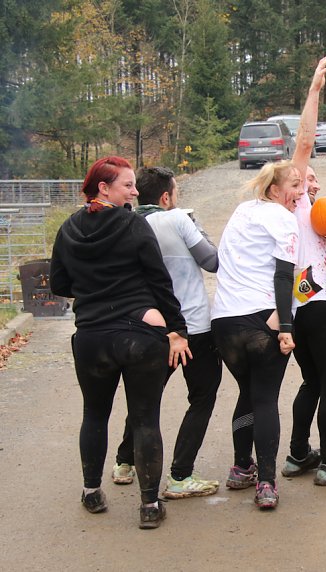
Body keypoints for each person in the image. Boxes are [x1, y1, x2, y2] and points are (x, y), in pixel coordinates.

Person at [50, 156, 190, 529]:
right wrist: (176, 328)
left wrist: (94, 291)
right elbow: (160, 281)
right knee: (146, 419)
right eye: (127, 185)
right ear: (103, 188)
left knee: (94, 414)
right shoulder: (134, 225)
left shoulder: (68, 229)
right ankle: (148, 506)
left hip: (92, 337)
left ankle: (92, 491)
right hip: (139, 336)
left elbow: (59, 286)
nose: (133, 191)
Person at [110, 166, 221, 499]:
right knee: (202, 395)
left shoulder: (128, 224)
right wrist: (197, 224)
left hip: (150, 327)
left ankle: (124, 462)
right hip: (192, 326)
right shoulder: (177, 219)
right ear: (165, 197)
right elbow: (212, 261)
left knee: (146, 398)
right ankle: (180, 474)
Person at [278, 55, 326, 486]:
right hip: (320, 308)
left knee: (310, 382)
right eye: (307, 179)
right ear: (295, 185)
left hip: (293, 312)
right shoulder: (299, 204)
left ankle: (296, 455)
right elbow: (304, 143)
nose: (313, 182)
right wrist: (313, 91)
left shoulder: (283, 218)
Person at [211, 159, 301, 510]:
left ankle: (241, 467)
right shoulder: (283, 218)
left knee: (246, 393)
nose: (301, 191)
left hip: (225, 320)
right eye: (294, 185)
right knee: (265, 398)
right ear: (275, 190)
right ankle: (266, 481)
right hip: (262, 318)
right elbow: (283, 276)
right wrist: (287, 327)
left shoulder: (242, 211)